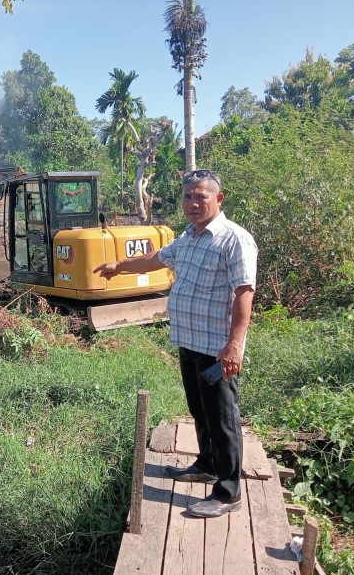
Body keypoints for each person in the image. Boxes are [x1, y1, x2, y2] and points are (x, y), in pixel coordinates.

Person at [94, 169, 257, 518]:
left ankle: (228, 492)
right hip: (190, 342)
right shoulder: (190, 236)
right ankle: (208, 463)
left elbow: (245, 291)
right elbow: (157, 258)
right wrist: (119, 265)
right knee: (201, 409)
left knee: (223, 415)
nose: (193, 203)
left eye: (201, 196)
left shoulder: (233, 239)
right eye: (187, 197)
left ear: (218, 199)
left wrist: (234, 345)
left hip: (216, 349)